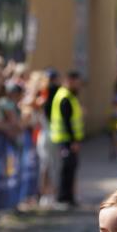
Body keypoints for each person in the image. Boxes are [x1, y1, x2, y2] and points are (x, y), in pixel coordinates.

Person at [49, 70, 84, 207]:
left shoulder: (69, 95)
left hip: (67, 140)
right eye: (77, 83)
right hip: (66, 140)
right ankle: (62, 198)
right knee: (66, 169)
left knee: (70, 168)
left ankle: (68, 197)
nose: (79, 86)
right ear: (70, 81)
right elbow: (66, 121)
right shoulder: (65, 97)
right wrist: (73, 140)